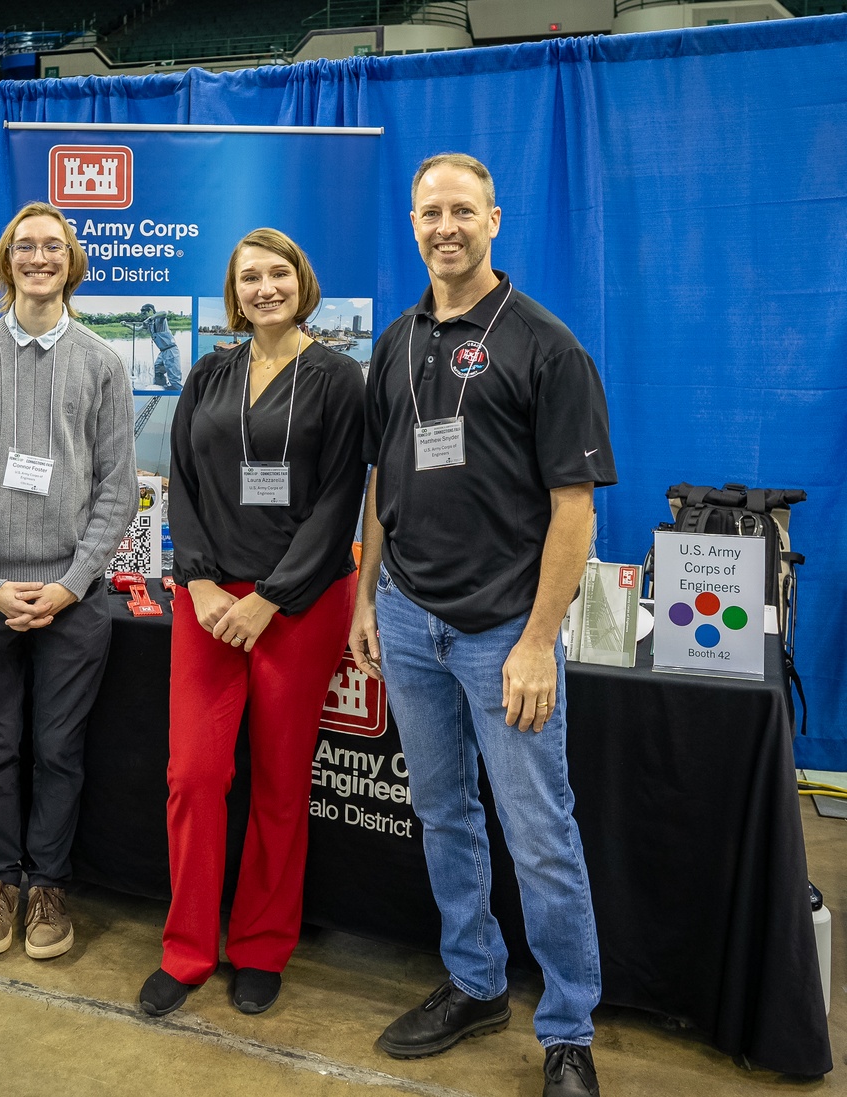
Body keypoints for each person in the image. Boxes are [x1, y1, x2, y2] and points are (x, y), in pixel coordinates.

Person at [349, 154, 617, 1097]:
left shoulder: (546, 345)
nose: (445, 226)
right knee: (443, 812)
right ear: (413, 224)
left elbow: (574, 509)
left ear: (494, 220)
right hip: (408, 618)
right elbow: (383, 478)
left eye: (462, 209)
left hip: (507, 631)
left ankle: (568, 1029)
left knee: (539, 829)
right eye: (430, 212)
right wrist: (364, 597)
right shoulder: (395, 341)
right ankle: (473, 979)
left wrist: (539, 640)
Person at [139, 228, 365, 1018]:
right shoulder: (208, 371)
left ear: (301, 281)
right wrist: (197, 585)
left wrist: (270, 598)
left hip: (297, 605)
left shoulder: (340, 378)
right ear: (233, 292)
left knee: (277, 781)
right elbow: (184, 482)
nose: (264, 287)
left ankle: (263, 945)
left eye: (278, 273)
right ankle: (189, 947)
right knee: (194, 775)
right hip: (208, 601)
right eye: (249, 277)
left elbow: (341, 501)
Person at [0, 202, 139, 960]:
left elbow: (118, 491)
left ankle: (48, 883)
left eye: (53, 246)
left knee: (57, 749)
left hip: (71, 602)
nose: (39, 257)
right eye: (26, 246)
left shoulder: (103, 363)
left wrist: (72, 583)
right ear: (6, 260)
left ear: (72, 262)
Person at [138, 303, 183, 389]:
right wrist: (126, 325)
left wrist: (150, 318)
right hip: (163, 352)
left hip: (170, 350)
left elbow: (164, 313)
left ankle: (178, 392)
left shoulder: (159, 319)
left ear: (150, 311)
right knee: (158, 367)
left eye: (145, 313)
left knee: (174, 378)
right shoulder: (150, 323)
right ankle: (161, 386)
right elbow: (137, 329)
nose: (144, 316)